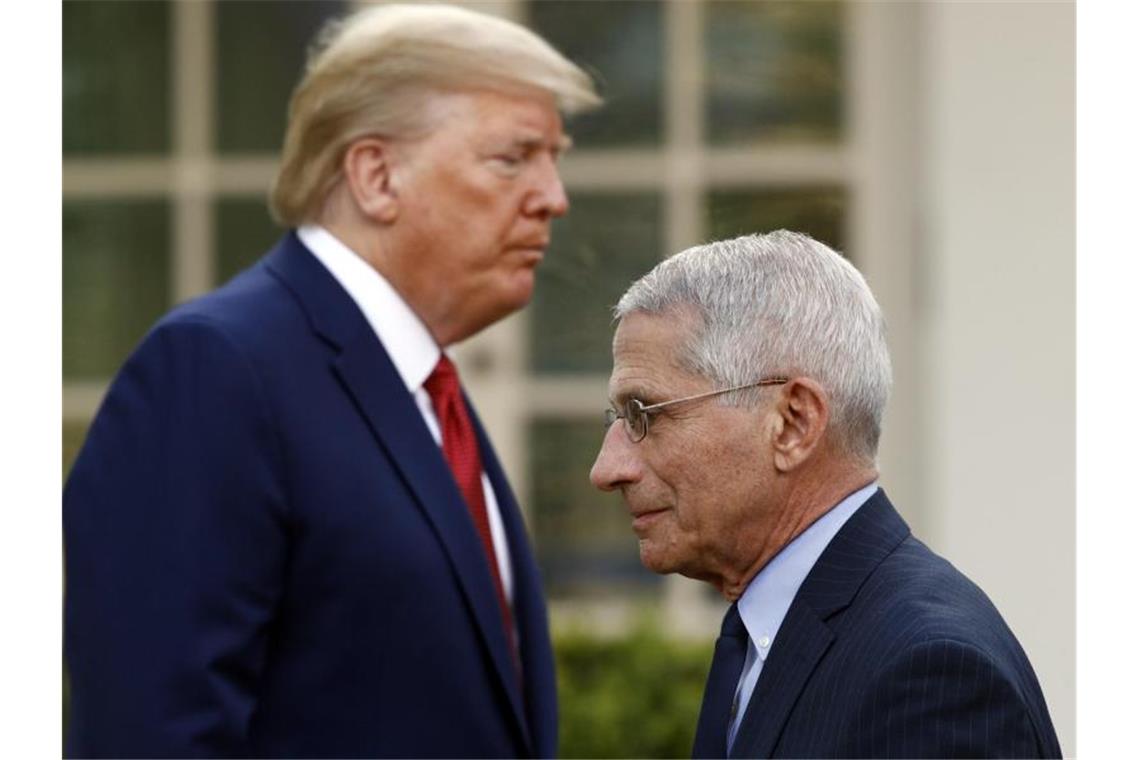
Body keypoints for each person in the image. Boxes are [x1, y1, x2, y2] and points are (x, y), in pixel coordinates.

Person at [63, 4, 599, 757]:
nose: (553, 195)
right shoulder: (215, 372)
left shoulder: (422, 388)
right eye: (513, 158)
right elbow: (152, 732)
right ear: (376, 176)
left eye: (554, 156)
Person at [589, 231, 1062, 759]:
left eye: (644, 415)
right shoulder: (778, 630)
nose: (607, 469)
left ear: (793, 423)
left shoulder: (929, 673)